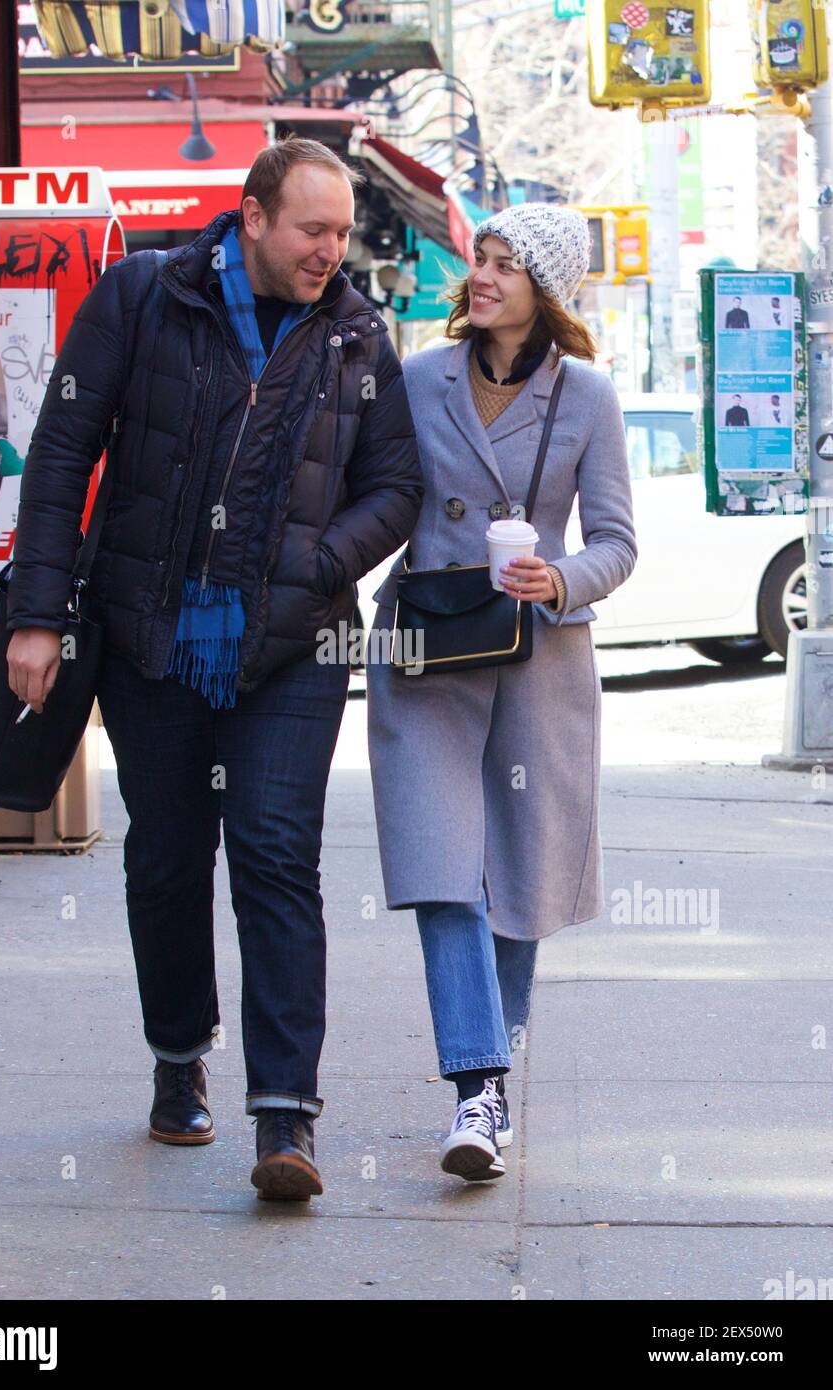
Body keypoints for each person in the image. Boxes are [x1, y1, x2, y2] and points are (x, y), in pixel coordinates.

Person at [4, 137, 423, 1201]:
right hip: (151, 636)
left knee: (277, 854)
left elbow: (396, 487)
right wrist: (39, 614)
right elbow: (61, 453)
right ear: (252, 218)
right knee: (168, 857)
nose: (332, 251)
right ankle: (179, 1048)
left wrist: (319, 565)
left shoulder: (356, 337)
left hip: (290, 646)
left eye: (340, 232)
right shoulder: (143, 299)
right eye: (312, 231)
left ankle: (286, 1115)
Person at [365, 204, 637, 1182]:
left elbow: (617, 540)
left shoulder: (587, 397)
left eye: (504, 264)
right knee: (446, 873)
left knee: (515, 884)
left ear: (544, 292)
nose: (481, 275)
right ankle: (476, 1086)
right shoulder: (421, 376)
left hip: (536, 667)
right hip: (427, 656)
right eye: (480, 258)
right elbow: (381, 494)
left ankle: (496, 1068)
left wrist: (558, 578)